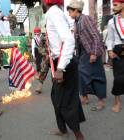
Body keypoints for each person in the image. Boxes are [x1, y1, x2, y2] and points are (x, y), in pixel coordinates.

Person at [42, 0, 85, 140]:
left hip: (64, 64)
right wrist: (50, 58)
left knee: (65, 102)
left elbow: (69, 41)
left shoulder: (54, 13)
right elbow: (57, 42)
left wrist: (60, 68)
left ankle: (78, 135)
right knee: (57, 98)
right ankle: (63, 130)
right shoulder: (53, 13)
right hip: (59, 61)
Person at [67, 0, 107, 111]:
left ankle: (100, 101)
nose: (69, 13)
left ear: (76, 10)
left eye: (70, 11)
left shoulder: (85, 19)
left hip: (92, 53)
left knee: (97, 76)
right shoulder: (76, 22)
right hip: (83, 53)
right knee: (81, 74)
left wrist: (94, 53)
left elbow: (96, 36)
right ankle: (84, 97)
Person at [106, 0, 124, 113]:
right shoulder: (112, 21)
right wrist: (109, 50)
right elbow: (110, 38)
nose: (113, 7)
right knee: (118, 78)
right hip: (118, 51)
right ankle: (117, 102)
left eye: (115, 5)